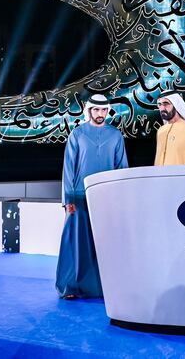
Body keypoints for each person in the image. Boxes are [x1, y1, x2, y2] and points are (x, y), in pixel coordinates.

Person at [56, 94, 128, 299]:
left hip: (106, 198)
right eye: (96, 110)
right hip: (78, 197)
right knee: (75, 242)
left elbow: (121, 168)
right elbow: (69, 170)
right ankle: (70, 287)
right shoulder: (77, 134)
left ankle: (102, 288)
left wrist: (121, 198)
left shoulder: (115, 136)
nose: (100, 114)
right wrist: (68, 200)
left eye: (104, 110)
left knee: (104, 243)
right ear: (89, 111)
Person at [154, 92, 185, 166]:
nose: (162, 108)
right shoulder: (161, 130)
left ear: (176, 105)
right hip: (161, 176)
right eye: (160, 105)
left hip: (183, 177)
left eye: (166, 104)